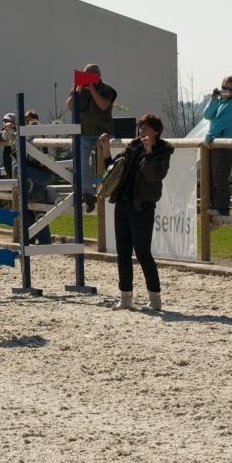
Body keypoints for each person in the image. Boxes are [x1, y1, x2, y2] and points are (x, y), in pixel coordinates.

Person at [99, 114, 173, 312]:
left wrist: (149, 153)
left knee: (142, 253)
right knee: (122, 253)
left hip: (142, 208)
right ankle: (125, 298)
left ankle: (155, 299)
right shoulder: (132, 147)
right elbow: (112, 172)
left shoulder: (162, 152)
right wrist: (106, 151)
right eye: (140, 127)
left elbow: (152, 176)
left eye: (145, 128)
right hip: (122, 205)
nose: (141, 131)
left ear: (156, 131)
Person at [66, 63, 118, 213]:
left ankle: (113, 186)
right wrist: (78, 89)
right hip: (85, 134)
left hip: (104, 133)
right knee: (80, 161)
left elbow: (103, 105)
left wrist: (92, 89)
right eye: (86, 74)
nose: (87, 77)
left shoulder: (107, 89)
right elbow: (70, 106)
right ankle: (88, 194)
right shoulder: (79, 89)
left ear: (98, 76)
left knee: (111, 159)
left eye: (91, 75)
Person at [202, 76, 232, 216]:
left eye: (230, 88)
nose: (227, 90)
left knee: (220, 178)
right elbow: (206, 115)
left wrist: (209, 135)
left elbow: (222, 122)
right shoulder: (219, 102)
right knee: (211, 177)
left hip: (224, 144)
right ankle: (213, 208)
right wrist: (213, 99)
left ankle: (222, 211)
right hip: (214, 143)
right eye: (225, 87)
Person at [18, 110, 52, 245]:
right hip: (34, 174)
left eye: (29, 121)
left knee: (37, 207)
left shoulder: (35, 134)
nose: (27, 123)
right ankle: (32, 237)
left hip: (37, 173)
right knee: (29, 208)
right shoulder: (32, 135)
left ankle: (44, 240)